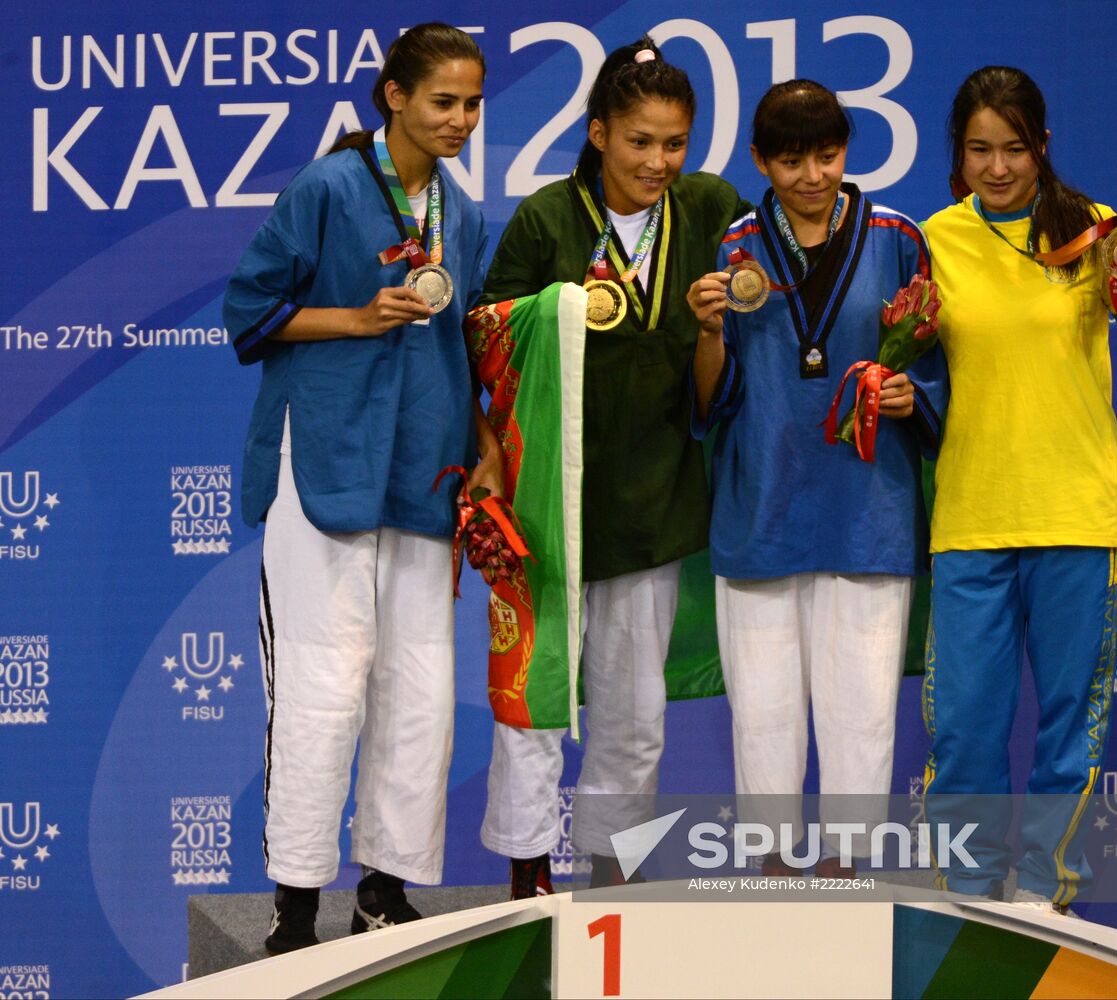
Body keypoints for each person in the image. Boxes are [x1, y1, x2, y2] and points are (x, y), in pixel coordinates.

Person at [223, 24, 500, 953]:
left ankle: (384, 890)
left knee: (419, 690)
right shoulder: (329, 186)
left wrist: (487, 447)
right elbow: (249, 310)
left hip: (426, 466)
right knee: (321, 686)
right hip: (327, 463)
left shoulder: (461, 214)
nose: (459, 120)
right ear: (393, 97)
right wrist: (357, 315)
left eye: (470, 104)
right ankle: (293, 908)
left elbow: (466, 348)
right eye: (441, 102)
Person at [475, 36, 749, 898]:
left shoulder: (709, 208)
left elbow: (758, 299)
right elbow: (483, 333)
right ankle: (526, 876)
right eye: (640, 141)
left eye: (675, 142)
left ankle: (611, 878)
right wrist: (556, 307)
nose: (659, 161)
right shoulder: (545, 220)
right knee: (536, 702)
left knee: (634, 718)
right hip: (548, 505)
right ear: (598, 132)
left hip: (655, 502)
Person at [920, 65, 1117, 910]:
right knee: (963, 729)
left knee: (1069, 727)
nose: (997, 169)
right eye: (979, 151)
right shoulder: (932, 239)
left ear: (1043, 145)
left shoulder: (1100, 229)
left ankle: (1044, 893)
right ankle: (966, 893)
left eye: (1015, 148)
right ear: (957, 154)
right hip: (970, 516)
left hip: (1077, 511)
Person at [685, 80, 946, 876]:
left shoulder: (899, 237)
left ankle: (849, 872)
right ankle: (771, 874)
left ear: (847, 151)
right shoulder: (733, 247)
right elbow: (708, 400)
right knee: (762, 717)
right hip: (760, 504)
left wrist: (911, 394)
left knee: (862, 716)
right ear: (759, 160)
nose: (811, 175)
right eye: (791, 159)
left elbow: (938, 364)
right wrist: (706, 331)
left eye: (827, 156)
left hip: (868, 508)